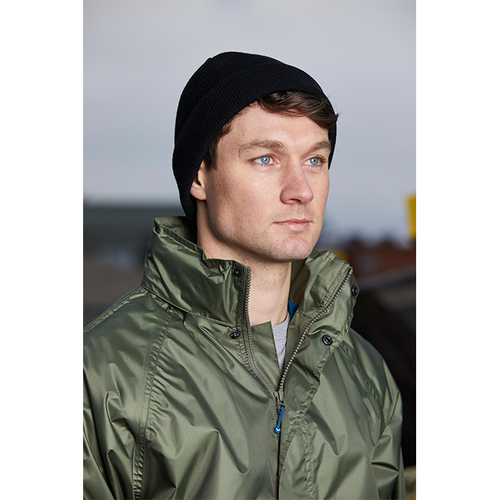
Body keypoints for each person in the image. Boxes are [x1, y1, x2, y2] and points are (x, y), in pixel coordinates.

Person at [84, 51, 406, 499]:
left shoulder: (364, 371)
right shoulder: (101, 375)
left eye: (315, 160)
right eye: (266, 159)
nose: (301, 190)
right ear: (200, 176)